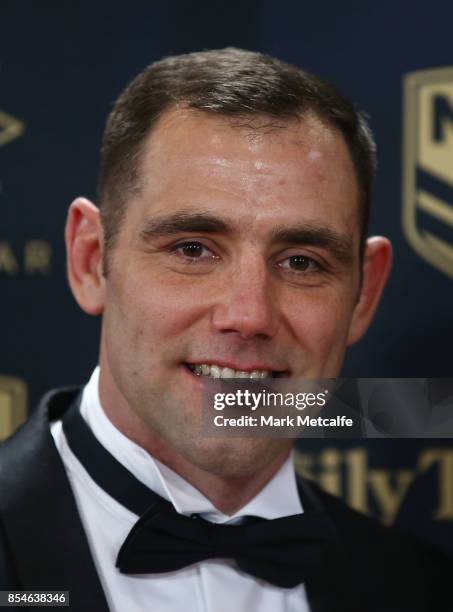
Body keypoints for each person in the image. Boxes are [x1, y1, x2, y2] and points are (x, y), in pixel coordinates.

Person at [0, 48, 448, 612]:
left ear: (364, 294)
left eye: (302, 262)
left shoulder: (422, 588)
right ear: (92, 260)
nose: (249, 315)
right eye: (192, 250)